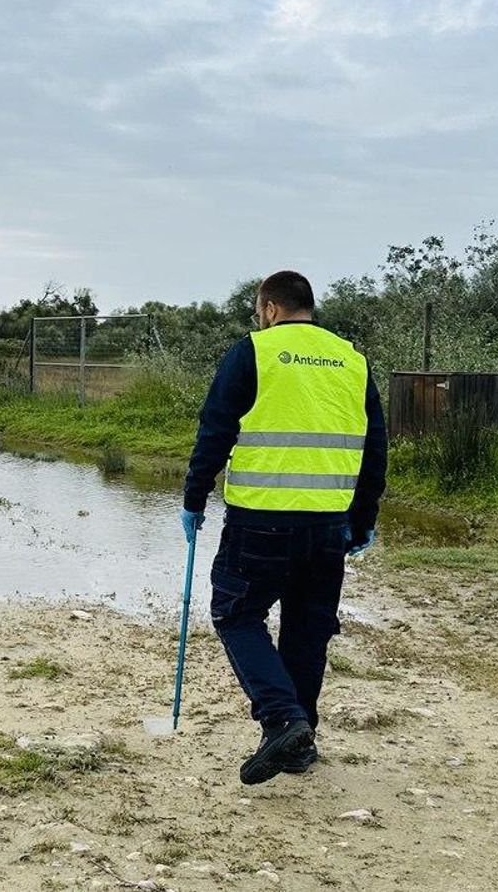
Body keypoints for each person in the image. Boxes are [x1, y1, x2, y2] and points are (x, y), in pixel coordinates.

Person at [180, 270, 387, 785]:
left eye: (258, 311)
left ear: (270, 308)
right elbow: (374, 448)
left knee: (235, 613)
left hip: (261, 521)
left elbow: (216, 429)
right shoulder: (353, 362)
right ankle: (299, 744)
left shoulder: (254, 351)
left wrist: (193, 497)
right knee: (307, 629)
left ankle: (282, 718)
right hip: (328, 524)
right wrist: (363, 519)